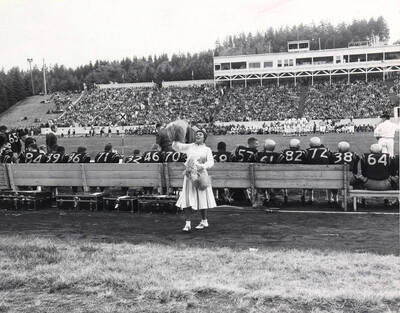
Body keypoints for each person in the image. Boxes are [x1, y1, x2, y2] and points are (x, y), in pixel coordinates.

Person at [171, 128, 216, 232]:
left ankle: (204, 220)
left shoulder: (207, 149)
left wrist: (202, 166)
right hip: (189, 175)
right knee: (187, 198)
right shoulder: (190, 146)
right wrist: (176, 137)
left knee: (202, 197)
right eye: (197, 134)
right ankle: (187, 223)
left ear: (204, 137)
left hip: (201, 174)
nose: (198, 136)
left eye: (200, 134)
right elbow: (176, 147)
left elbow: (211, 162)